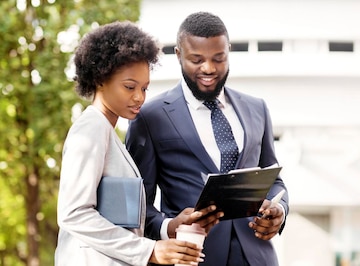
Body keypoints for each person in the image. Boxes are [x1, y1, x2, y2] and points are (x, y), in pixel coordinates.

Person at [125, 12, 289, 266]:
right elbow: (136, 206)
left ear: (228, 51)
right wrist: (169, 227)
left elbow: (274, 180)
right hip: (192, 257)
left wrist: (280, 211)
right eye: (196, 60)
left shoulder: (257, 108)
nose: (209, 68)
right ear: (178, 55)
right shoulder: (149, 117)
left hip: (258, 257)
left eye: (218, 58)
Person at [56, 21, 221, 266]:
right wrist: (150, 251)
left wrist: (171, 227)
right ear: (100, 79)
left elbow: (115, 218)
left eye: (144, 88)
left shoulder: (108, 133)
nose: (139, 97)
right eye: (130, 87)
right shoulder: (91, 128)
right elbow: (74, 214)